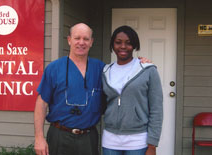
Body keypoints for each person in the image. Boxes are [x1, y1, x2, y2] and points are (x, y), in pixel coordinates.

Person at [34, 23, 150, 155]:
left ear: (91, 42)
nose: (81, 43)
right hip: (59, 135)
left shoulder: (102, 69)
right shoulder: (54, 68)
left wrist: (140, 64)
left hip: (88, 138)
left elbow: (124, 79)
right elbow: (41, 103)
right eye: (77, 38)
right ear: (69, 40)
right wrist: (39, 138)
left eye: (86, 39)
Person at [101, 25, 163, 155]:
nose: (123, 46)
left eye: (128, 43)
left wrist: (152, 144)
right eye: (118, 42)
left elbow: (156, 110)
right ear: (112, 45)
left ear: (134, 46)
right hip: (110, 139)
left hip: (138, 140)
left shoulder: (147, 70)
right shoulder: (105, 71)